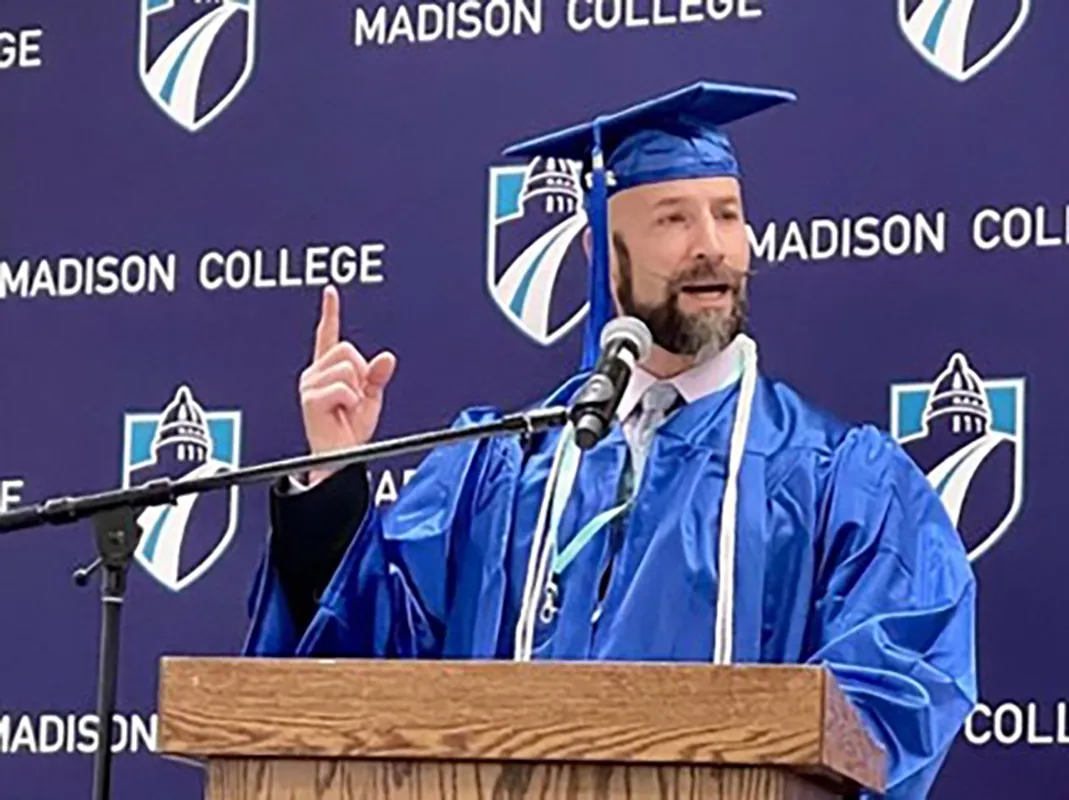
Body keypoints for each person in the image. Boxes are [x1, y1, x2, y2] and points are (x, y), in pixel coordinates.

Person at [243, 80, 977, 799]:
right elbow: (363, 665)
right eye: (671, 220)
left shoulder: (838, 482)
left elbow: (894, 694)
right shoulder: (500, 469)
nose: (710, 247)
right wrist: (332, 480)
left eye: (726, 215)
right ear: (602, 249)